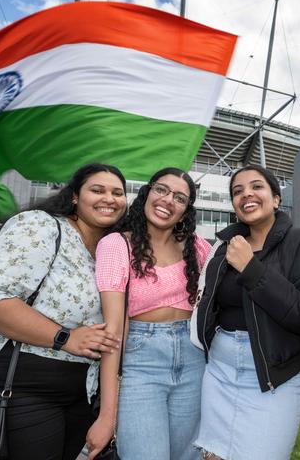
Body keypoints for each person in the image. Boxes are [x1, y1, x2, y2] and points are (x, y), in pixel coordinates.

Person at [0, 163, 127, 460]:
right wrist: (65, 338)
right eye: (98, 190)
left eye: (118, 193)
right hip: (16, 384)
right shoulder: (41, 225)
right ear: (74, 197)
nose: (109, 198)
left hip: (78, 391)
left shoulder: (110, 251)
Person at [194, 164, 300, 460]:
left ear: (276, 198)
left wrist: (251, 269)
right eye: (237, 191)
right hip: (219, 371)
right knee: (212, 456)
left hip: (272, 378)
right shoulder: (225, 247)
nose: (246, 195)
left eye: (256, 186)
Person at [87, 167, 211, 460]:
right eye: (161, 190)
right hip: (141, 362)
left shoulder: (199, 248)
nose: (168, 200)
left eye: (180, 198)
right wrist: (107, 415)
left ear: (185, 212)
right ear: (147, 193)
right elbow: (113, 332)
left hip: (195, 361)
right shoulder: (116, 245)